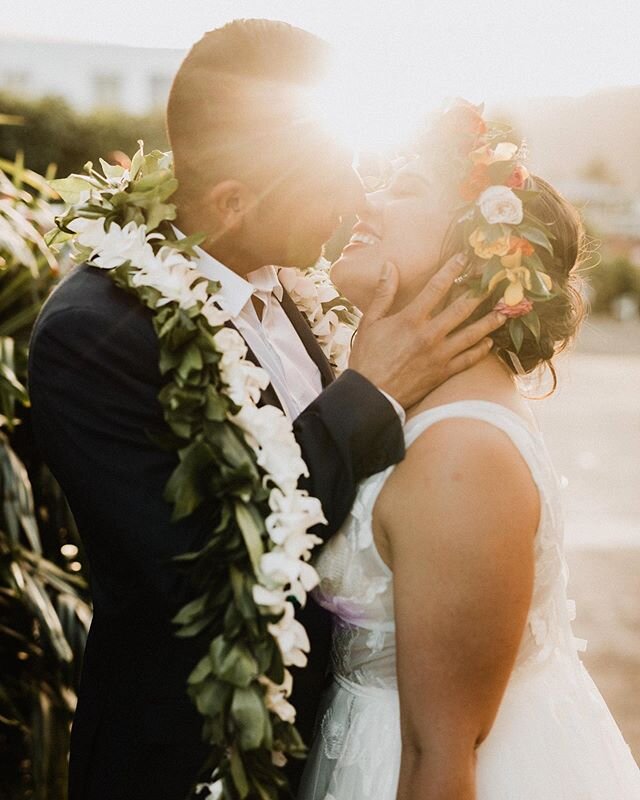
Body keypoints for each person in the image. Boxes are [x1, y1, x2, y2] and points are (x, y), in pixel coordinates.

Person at [27, 22, 503, 800]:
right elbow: (211, 567)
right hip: (190, 766)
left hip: (337, 748)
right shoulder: (95, 334)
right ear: (233, 202)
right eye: (334, 175)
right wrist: (370, 391)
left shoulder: (291, 284)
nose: (357, 196)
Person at [299, 104, 640, 799]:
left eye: (405, 186)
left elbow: (442, 761)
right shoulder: (413, 407)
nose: (366, 199)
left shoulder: (460, 454)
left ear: (477, 254)